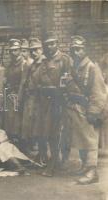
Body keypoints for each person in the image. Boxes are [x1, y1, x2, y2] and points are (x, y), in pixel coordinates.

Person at [62, 35, 107, 184]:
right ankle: (84, 166)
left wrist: (93, 112)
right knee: (80, 138)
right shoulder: (74, 66)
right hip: (76, 108)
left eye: (78, 49)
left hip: (88, 108)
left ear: (85, 50)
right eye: (73, 49)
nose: (75, 52)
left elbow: (99, 92)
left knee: (90, 140)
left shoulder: (91, 67)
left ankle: (92, 172)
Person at [37, 31, 71, 177]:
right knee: (49, 132)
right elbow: (39, 79)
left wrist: (59, 91)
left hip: (60, 101)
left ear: (57, 43)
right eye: (47, 44)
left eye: (52, 43)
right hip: (46, 102)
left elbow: (68, 80)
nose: (49, 46)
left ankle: (58, 162)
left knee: (61, 132)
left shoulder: (64, 59)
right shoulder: (44, 61)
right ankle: (55, 161)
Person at [21, 38, 47, 162]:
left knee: (42, 129)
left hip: (41, 101)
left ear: (41, 49)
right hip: (32, 100)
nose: (33, 53)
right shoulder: (32, 65)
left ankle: (45, 156)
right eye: (32, 50)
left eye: (36, 50)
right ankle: (41, 154)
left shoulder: (45, 63)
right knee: (35, 129)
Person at [4, 39, 28, 147]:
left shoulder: (24, 64)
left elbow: (24, 82)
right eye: (11, 51)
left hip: (21, 96)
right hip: (11, 95)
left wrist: (19, 98)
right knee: (11, 122)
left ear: (20, 50)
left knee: (20, 123)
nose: (13, 53)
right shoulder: (9, 65)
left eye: (16, 50)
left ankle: (24, 147)